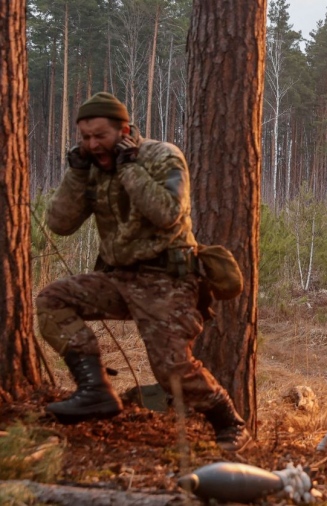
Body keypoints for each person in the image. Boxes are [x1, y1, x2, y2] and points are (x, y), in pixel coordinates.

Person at [36, 92, 250, 452]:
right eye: (84, 138)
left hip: (168, 280)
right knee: (52, 300)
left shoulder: (161, 156)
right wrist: (76, 172)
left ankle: (228, 420)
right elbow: (59, 224)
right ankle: (95, 391)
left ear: (123, 130)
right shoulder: (90, 168)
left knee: (171, 372)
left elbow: (168, 212)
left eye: (100, 136)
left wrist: (128, 167)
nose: (92, 145)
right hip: (120, 278)